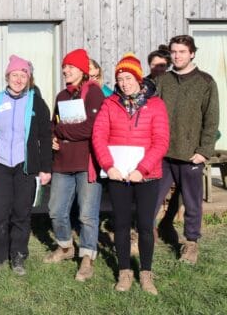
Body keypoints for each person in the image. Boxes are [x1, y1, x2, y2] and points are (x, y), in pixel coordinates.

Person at [92, 53, 169, 294]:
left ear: (138, 77)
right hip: (117, 175)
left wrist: (141, 169)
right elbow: (99, 137)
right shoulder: (109, 103)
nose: (124, 83)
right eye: (120, 78)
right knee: (122, 224)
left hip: (147, 175)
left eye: (128, 77)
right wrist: (108, 166)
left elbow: (161, 141)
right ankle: (124, 271)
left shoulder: (156, 105)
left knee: (146, 225)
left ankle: (145, 273)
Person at [0, 55, 52, 275]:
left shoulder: (36, 102)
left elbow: (46, 137)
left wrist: (46, 167)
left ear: (28, 78)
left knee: (21, 213)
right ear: (7, 76)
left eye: (23, 75)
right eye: (14, 75)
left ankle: (18, 257)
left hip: (25, 166)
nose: (19, 79)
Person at [153, 35, 219, 265]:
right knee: (153, 197)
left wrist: (204, 150)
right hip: (163, 154)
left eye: (182, 51)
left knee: (192, 202)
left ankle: (191, 243)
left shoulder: (205, 82)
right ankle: (144, 234)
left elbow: (211, 120)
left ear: (192, 53)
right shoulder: (164, 80)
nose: (177, 55)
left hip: (191, 154)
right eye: (174, 52)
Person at [45, 48, 105, 282]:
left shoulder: (94, 94)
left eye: (70, 67)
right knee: (56, 210)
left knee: (87, 216)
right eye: (64, 67)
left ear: (82, 70)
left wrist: (61, 131)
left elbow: (91, 128)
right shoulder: (62, 96)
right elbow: (54, 124)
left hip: (86, 162)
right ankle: (66, 246)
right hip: (62, 163)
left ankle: (87, 257)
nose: (65, 70)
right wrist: (53, 136)